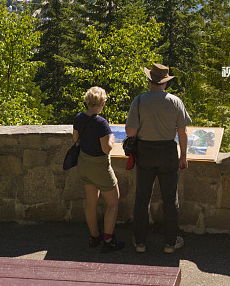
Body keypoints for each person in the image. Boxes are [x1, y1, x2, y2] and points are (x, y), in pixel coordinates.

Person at [125, 63, 191, 254]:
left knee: (142, 198)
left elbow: (130, 132)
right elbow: (183, 132)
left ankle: (140, 242)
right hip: (168, 152)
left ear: (149, 80)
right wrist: (183, 156)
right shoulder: (175, 101)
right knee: (170, 199)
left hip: (145, 152)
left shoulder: (139, 101)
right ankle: (170, 243)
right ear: (165, 82)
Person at [73, 86, 124, 252]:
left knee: (91, 202)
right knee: (113, 203)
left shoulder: (79, 118)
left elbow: (75, 139)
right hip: (99, 167)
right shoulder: (101, 123)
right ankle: (108, 241)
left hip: (84, 165)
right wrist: (112, 139)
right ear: (102, 103)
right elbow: (106, 149)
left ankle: (94, 237)